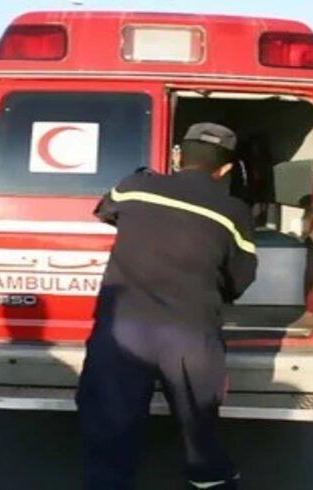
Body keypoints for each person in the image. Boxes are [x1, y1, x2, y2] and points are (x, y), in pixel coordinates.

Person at [76, 123, 258, 490]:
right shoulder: (234, 211)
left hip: (122, 328)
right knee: (198, 420)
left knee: (111, 421)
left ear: (177, 156)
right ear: (225, 169)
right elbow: (240, 279)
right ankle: (207, 477)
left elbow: (105, 210)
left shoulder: (134, 186)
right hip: (190, 332)